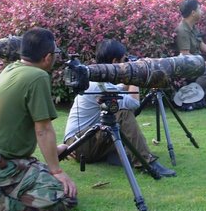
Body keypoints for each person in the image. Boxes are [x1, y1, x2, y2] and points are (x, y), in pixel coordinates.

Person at [0, 27, 77, 211]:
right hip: (0, 166)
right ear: (47, 57)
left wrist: (54, 153)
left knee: (50, 182)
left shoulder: (12, 68)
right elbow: (43, 130)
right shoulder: (37, 76)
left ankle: (0, 190)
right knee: (65, 197)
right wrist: (57, 171)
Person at [63, 39, 176, 177]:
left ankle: (117, 155)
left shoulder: (98, 77)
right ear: (115, 61)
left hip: (81, 141)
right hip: (78, 145)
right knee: (122, 114)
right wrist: (136, 75)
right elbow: (134, 104)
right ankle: (146, 163)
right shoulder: (98, 84)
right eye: (124, 61)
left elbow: (119, 89)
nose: (126, 64)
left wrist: (132, 74)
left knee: (115, 115)